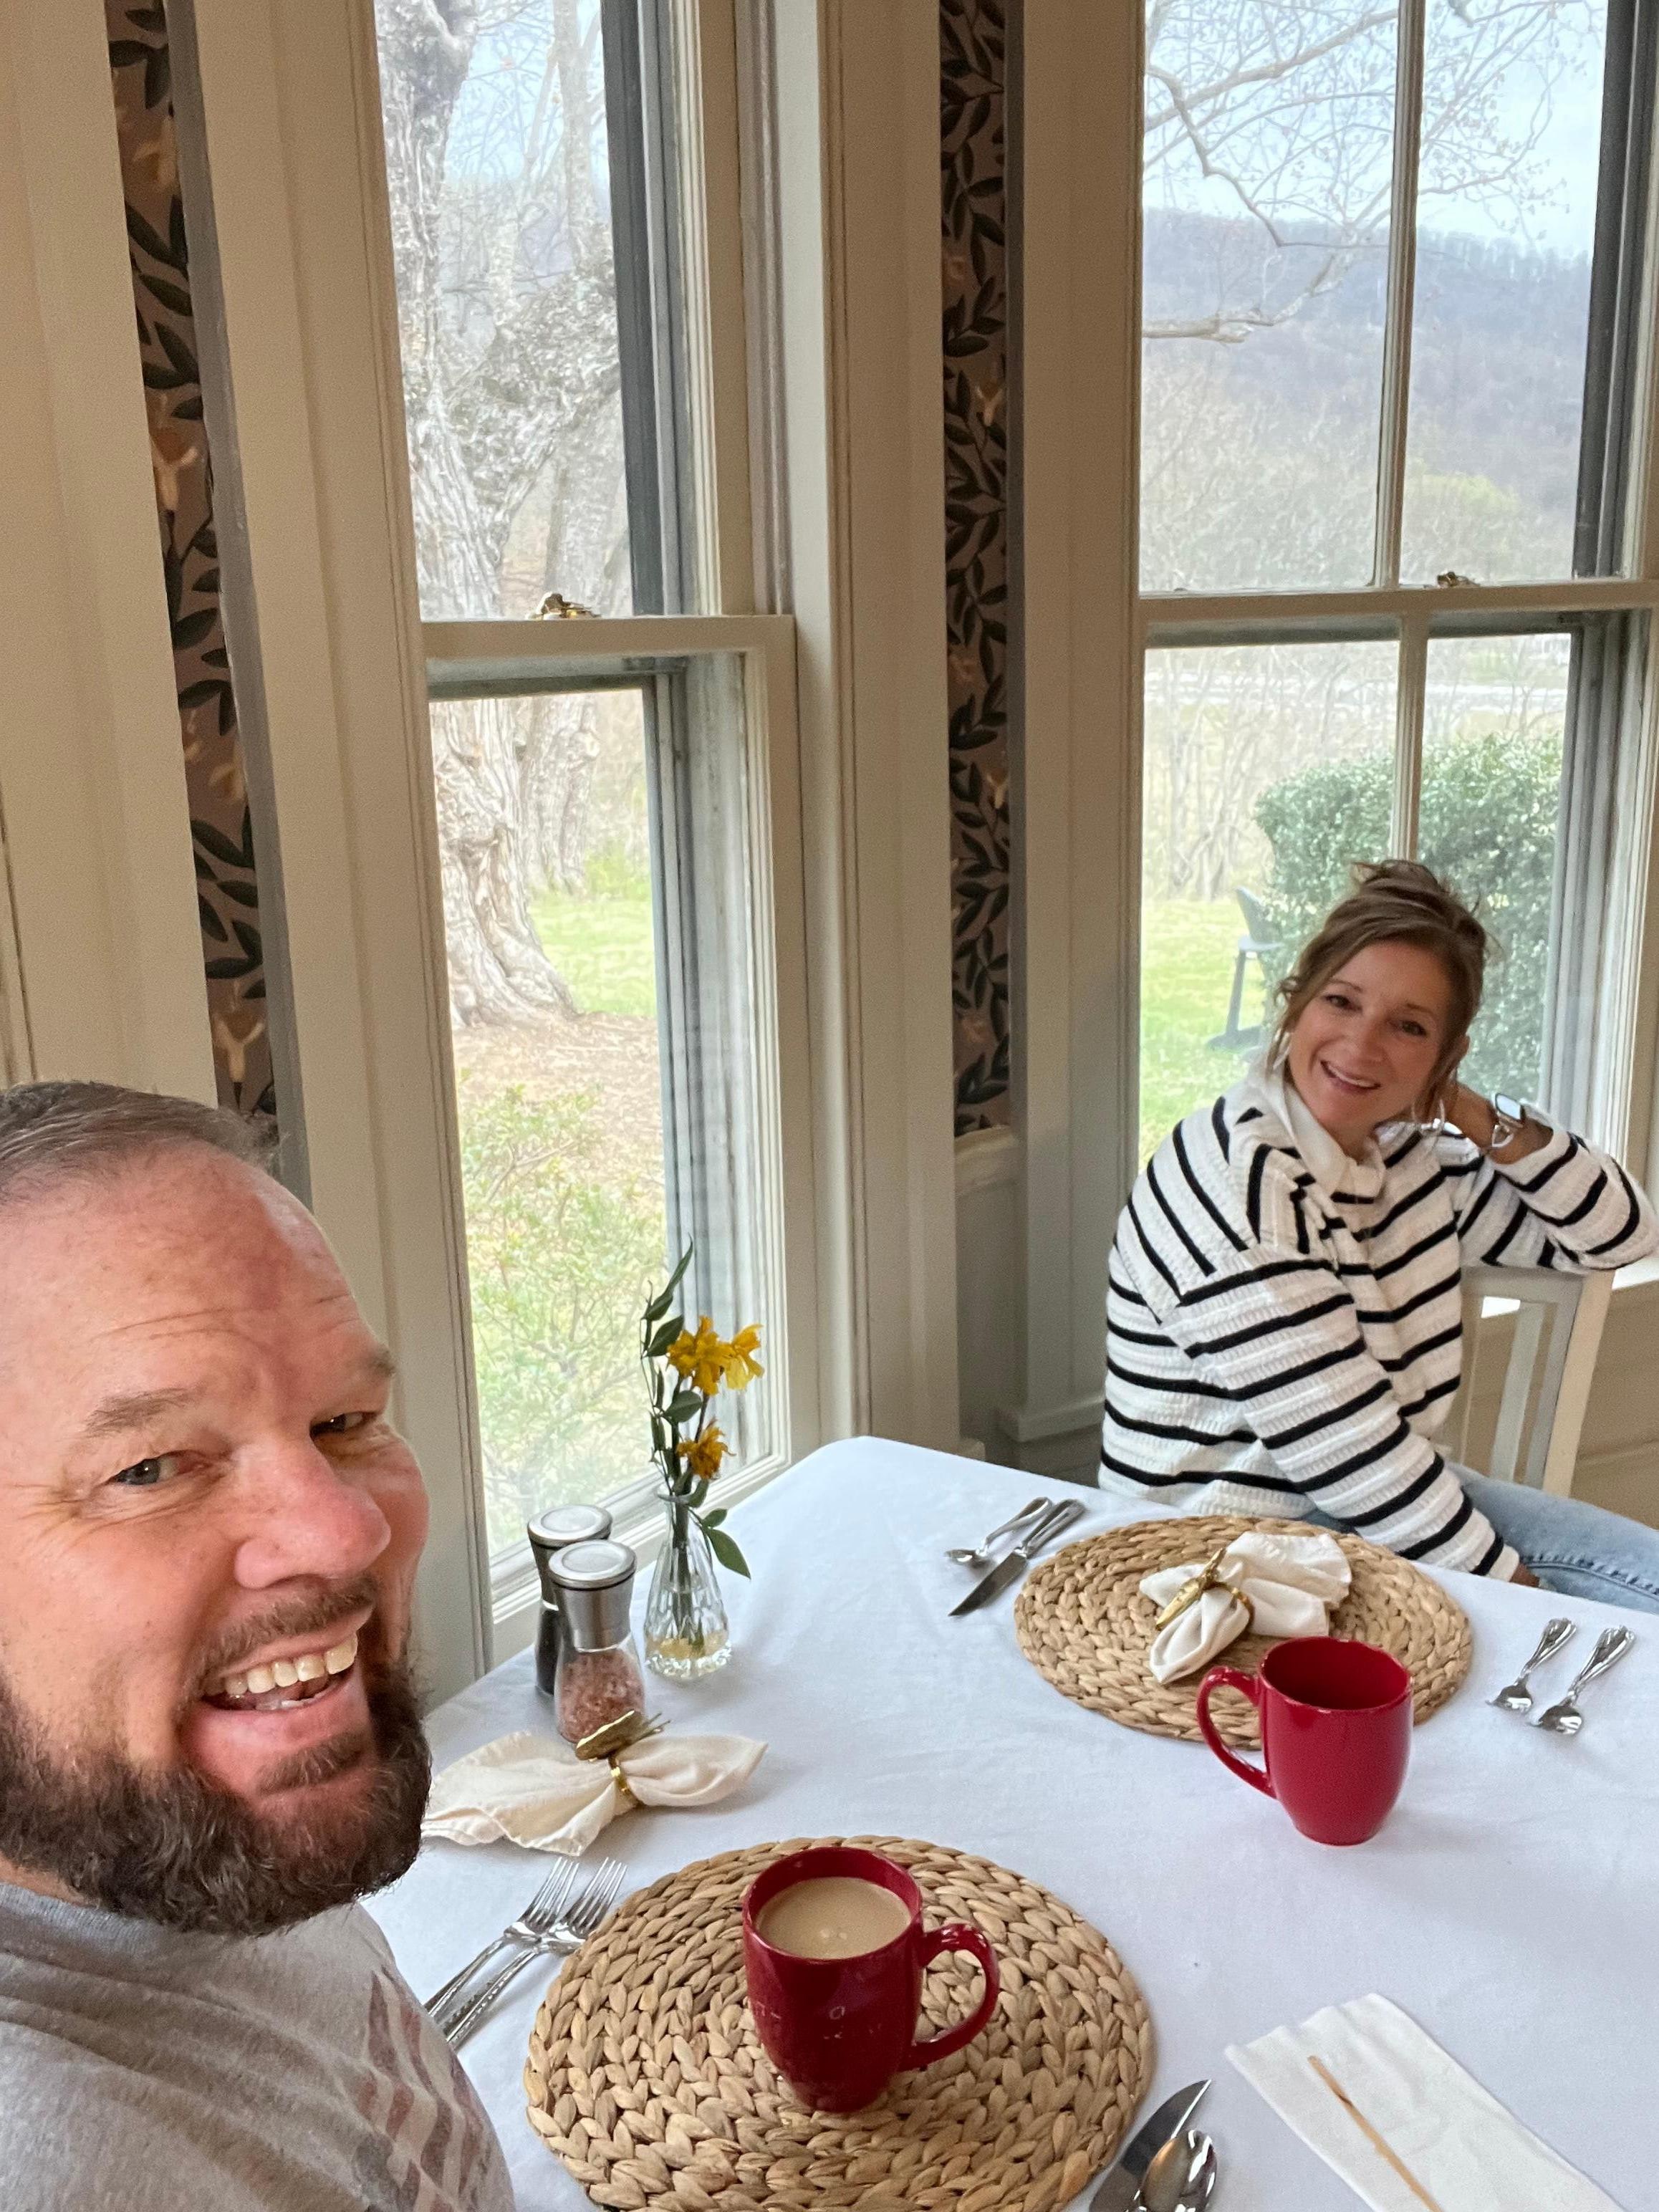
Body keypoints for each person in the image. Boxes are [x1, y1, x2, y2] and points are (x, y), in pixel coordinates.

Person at [0, 1081, 514, 2211]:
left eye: (344, 1422)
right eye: (149, 1468)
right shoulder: (60, 2168)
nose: (346, 1531)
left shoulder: (198, 1826)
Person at [1104, 861, 1659, 1611]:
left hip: (1372, 1511)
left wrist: (1465, 1109)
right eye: (1341, 1001)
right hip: (1219, 1556)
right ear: (1296, 1003)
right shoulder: (1240, 1186)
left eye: (1409, 1026)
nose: (1362, 1045)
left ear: (1446, 1056)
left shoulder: (1402, 1158)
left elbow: (1618, 1235)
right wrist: (1526, 1605)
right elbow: (1350, 1454)